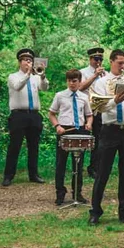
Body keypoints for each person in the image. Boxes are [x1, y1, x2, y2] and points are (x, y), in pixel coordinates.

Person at [88, 49, 124, 226]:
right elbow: (99, 107)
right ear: (111, 62)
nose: (123, 66)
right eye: (120, 63)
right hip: (110, 130)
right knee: (102, 172)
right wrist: (115, 101)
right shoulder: (102, 82)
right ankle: (95, 212)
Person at [2, 47, 49, 187]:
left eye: (30, 60)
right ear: (19, 62)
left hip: (34, 115)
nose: (28, 62)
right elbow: (17, 86)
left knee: (34, 146)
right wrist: (28, 74)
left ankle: (33, 174)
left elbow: (45, 88)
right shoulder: (13, 76)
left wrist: (42, 76)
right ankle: (8, 176)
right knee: (14, 146)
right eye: (26, 60)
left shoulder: (36, 77)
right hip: (18, 115)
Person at [49, 69, 92, 207]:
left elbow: (89, 115)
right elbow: (51, 113)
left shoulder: (84, 97)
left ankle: (77, 193)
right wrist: (57, 126)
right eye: (69, 81)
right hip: (64, 130)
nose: (72, 83)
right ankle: (60, 193)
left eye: (74, 81)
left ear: (79, 82)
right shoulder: (60, 95)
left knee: (78, 163)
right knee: (61, 163)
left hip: (80, 131)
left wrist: (89, 123)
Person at [79, 47, 106, 179]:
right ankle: (78, 165)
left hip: (99, 110)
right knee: (83, 138)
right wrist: (95, 75)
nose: (98, 61)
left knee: (98, 140)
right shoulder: (82, 72)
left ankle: (94, 167)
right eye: (96, 59)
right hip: (85, 110)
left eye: (100, 59)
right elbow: (80, 87)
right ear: (90, 59)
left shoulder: (105, 74)